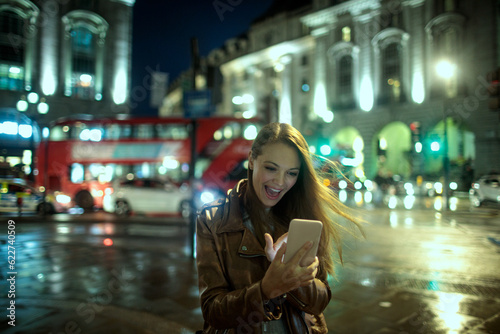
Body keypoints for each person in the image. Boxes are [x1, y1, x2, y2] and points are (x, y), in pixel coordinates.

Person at [196, 122, 364, 334]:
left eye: (291, 173)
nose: (280, 182)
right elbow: (212, 311)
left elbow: (320, 302)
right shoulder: (213, 218)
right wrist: (266, 289)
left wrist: (300, 280)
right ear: (251, 160)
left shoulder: (302, 215)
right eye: (271, 168)